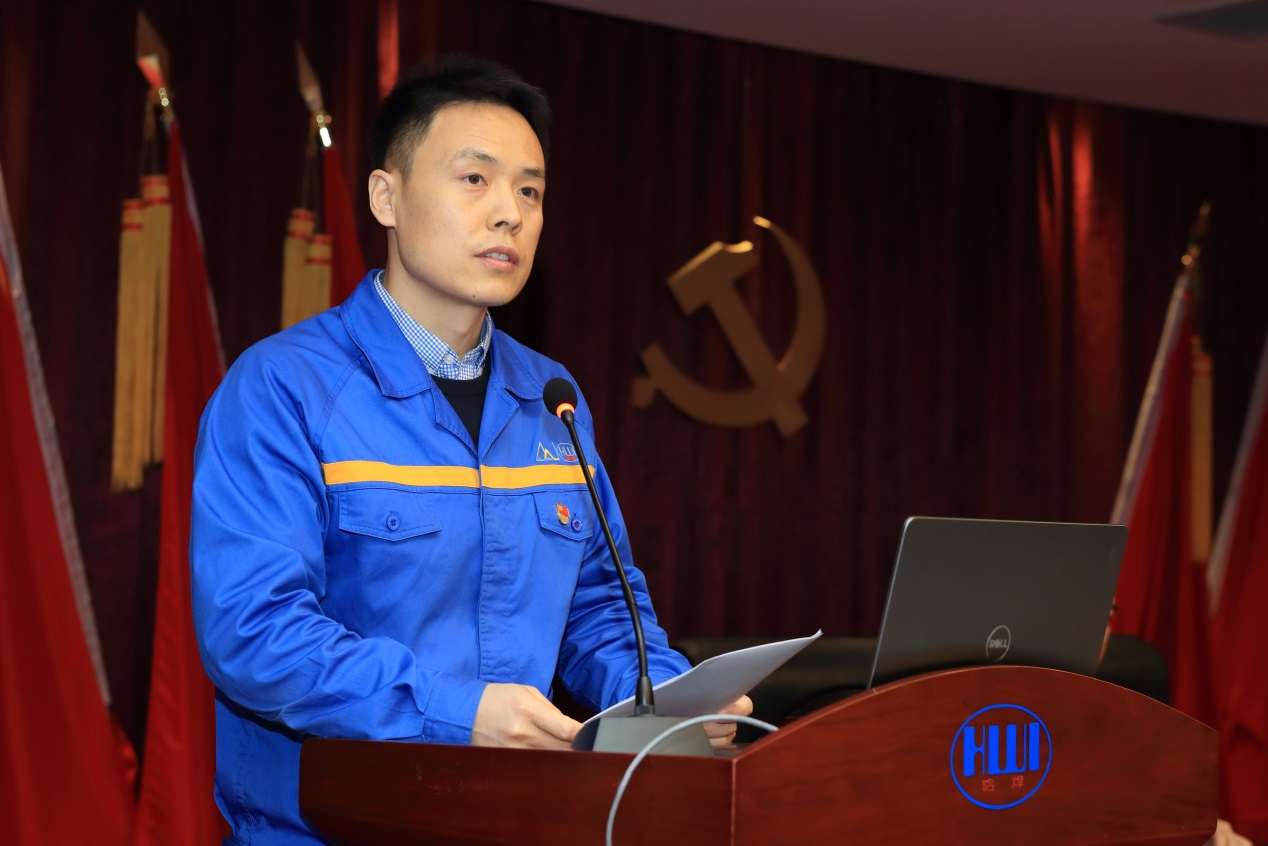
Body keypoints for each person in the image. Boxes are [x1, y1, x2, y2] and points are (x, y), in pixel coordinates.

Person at [190, 55, 750, 845]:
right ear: (386, 197)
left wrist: (669, 700)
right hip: (326, 828)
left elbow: (599, 608)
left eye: (530, 191)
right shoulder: (285, 388)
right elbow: (255, 632)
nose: (509, 214)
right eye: (475, 180)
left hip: (513, 822)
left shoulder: (552, 398)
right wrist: (456, 711)